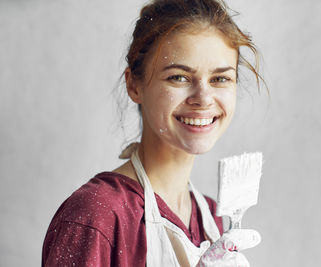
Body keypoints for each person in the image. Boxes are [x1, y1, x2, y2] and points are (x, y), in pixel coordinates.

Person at [42, 0, 265, 266]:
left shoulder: (213, 222)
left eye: (220, 78)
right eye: (178, 77)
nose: (204, 98)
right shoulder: (96, 215)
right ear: (134, 85)